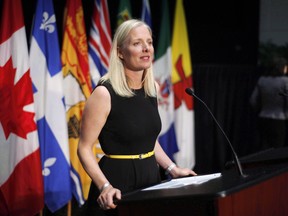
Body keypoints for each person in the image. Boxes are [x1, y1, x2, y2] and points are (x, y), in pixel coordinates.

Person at [77, 19, 197, 216]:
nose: (146, 48)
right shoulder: (104, 93)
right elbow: (83, 148)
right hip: (117, 182)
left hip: (150, 177)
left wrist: (172, 168)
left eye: (149, 42)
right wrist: (105, 186)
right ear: (120, 52)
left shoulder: (152, 89)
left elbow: (148, 141)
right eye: (137, 43)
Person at [250, 56, 288, 150]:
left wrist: (259, 109)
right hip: (279, 119)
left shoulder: (262, 80)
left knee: (263, 147)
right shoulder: (285, 81)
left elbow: (253, 100)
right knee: (277, 148)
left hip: (263, 117)